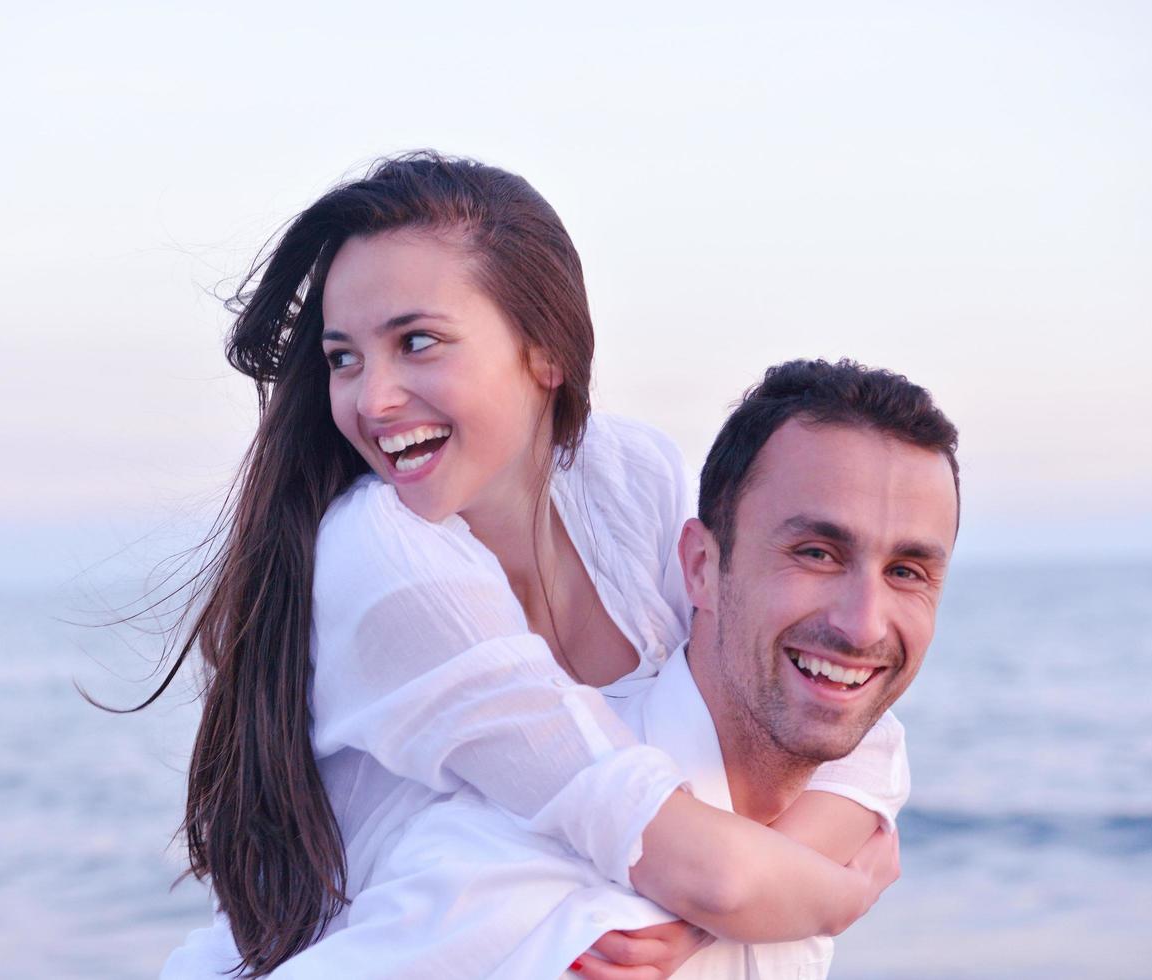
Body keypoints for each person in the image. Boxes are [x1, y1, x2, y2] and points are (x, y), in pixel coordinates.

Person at [152, 153, 902, 978]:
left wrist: (702, 921)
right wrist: (833, 892)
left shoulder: (631, 478)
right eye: (345, 358)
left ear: (545, 351)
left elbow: (838, 732)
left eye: (417, 342)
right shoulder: (385, 556)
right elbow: (702, 865)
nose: (371, 399)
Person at [257, 358, 959, 979]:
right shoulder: (527, 864)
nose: (863, 623)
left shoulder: (829, 812)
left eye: (906, 570)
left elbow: (878, 750)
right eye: (815, 553)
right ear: (700, 568)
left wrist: (747, 908)